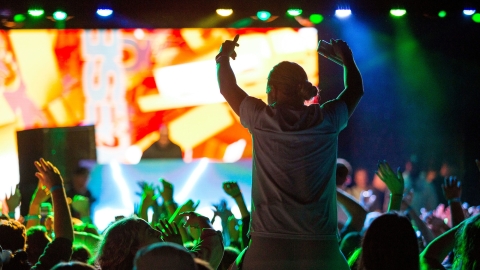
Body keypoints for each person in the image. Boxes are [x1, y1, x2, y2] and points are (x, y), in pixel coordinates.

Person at [216, 34, 363, 269]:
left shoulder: (262, 119)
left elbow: (227, 87)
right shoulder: (327, 120)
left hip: (268, 249)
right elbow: (355, 89)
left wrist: (223, 58)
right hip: (321, 250)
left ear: (272, 91)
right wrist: (346, 58)